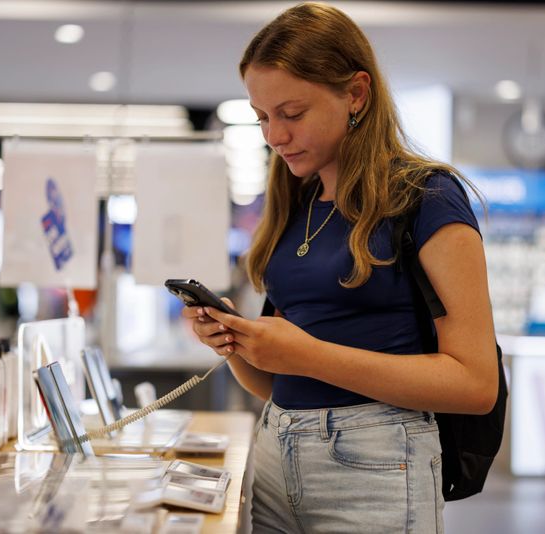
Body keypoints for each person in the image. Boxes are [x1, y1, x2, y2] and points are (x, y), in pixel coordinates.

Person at [182, 3, 497, 532]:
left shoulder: (426, 197)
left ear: (355, 94)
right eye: (261, 116)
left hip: (375, 465)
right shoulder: (294, 204)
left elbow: (475, 382)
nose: (273, 136)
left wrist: (310, 354)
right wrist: (236, 341)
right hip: (273, 451)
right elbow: (282, 382)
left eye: (291, 113)